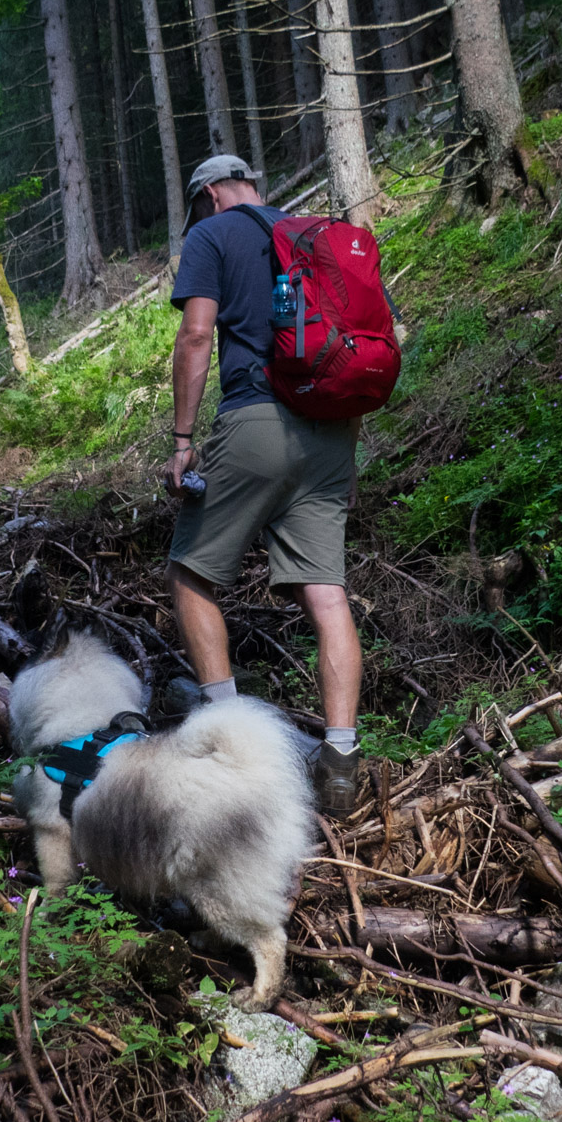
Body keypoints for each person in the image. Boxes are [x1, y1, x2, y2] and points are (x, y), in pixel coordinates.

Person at [161, 155, 363, 819]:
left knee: (192, 572)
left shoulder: (212, 235)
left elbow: (196, 337)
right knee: (326, 592)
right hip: (332, 426)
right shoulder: (308, 232)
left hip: (255, 417)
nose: (197, 219)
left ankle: (226, 736)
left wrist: (183, 441)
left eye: (197, 208)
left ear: (212, 193)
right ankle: (339, 758)